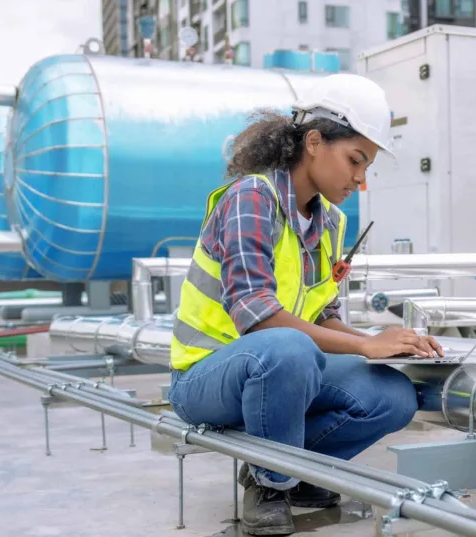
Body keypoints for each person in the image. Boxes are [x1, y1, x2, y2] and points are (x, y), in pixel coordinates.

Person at [166, 73, 443, 536]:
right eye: (355, 160)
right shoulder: (253, 199)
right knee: (288, 350)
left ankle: (302, 473)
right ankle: (270, 483)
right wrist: (364, 348)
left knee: (393, 396)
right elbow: (256, 317)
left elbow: (323, 315)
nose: (360, 178)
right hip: (205, 376)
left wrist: (381, 343)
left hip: (280, 365)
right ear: (314, 141)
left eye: (367, 166)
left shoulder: (330, 221)